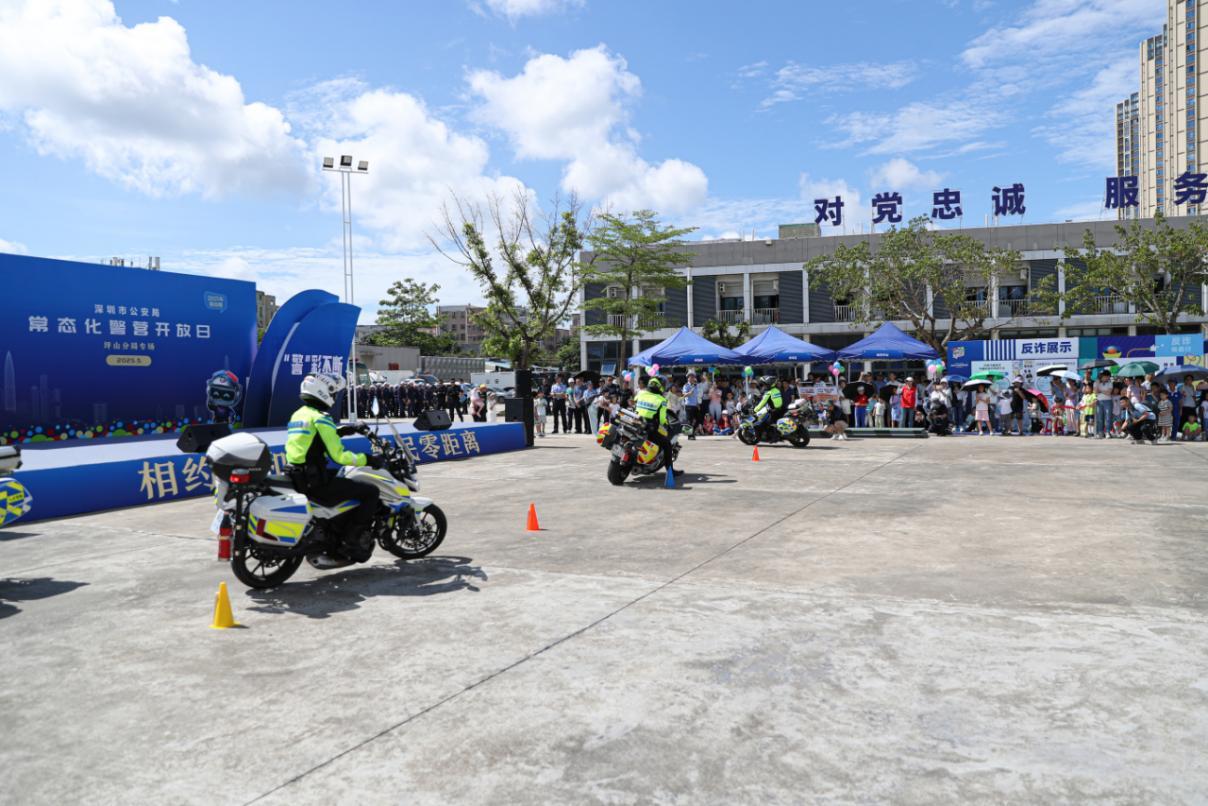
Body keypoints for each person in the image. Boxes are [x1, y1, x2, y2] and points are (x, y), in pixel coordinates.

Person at [285, 373, 385, 568]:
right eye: (333, 392)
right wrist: (368, 459)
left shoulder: (299, 414)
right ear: (323, 392)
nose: (334, 396)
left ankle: (336, 528)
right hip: (315, 480)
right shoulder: (321, 418)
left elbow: (313, 440)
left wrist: (342, 430)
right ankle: (352, 542)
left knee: (344, 481)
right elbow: (339, 456)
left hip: (298, 474)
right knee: (370, 492)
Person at [635, 377, 676, 479]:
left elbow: (634, 402)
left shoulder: (641, 393)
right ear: (659, 387)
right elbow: (662, 419)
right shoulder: (661, 400)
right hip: (649, 426)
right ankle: (670, 471)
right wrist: (666, 425)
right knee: (667, 444)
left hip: (635, 421)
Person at [1094, 371, 1114, 439]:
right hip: (1099, 401)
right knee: (1100, 418)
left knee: (1108, 417)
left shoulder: (1110, 383)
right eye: (1106, 376)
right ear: (1102, 376)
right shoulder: (1096, 383)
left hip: (1108, 401)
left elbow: (1109, 392)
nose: (1107, 378)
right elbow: (1095, 392)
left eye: (1108, 376)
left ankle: (1107, 432)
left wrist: (1101, 391)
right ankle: (1100, 432)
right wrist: (1097, 384)